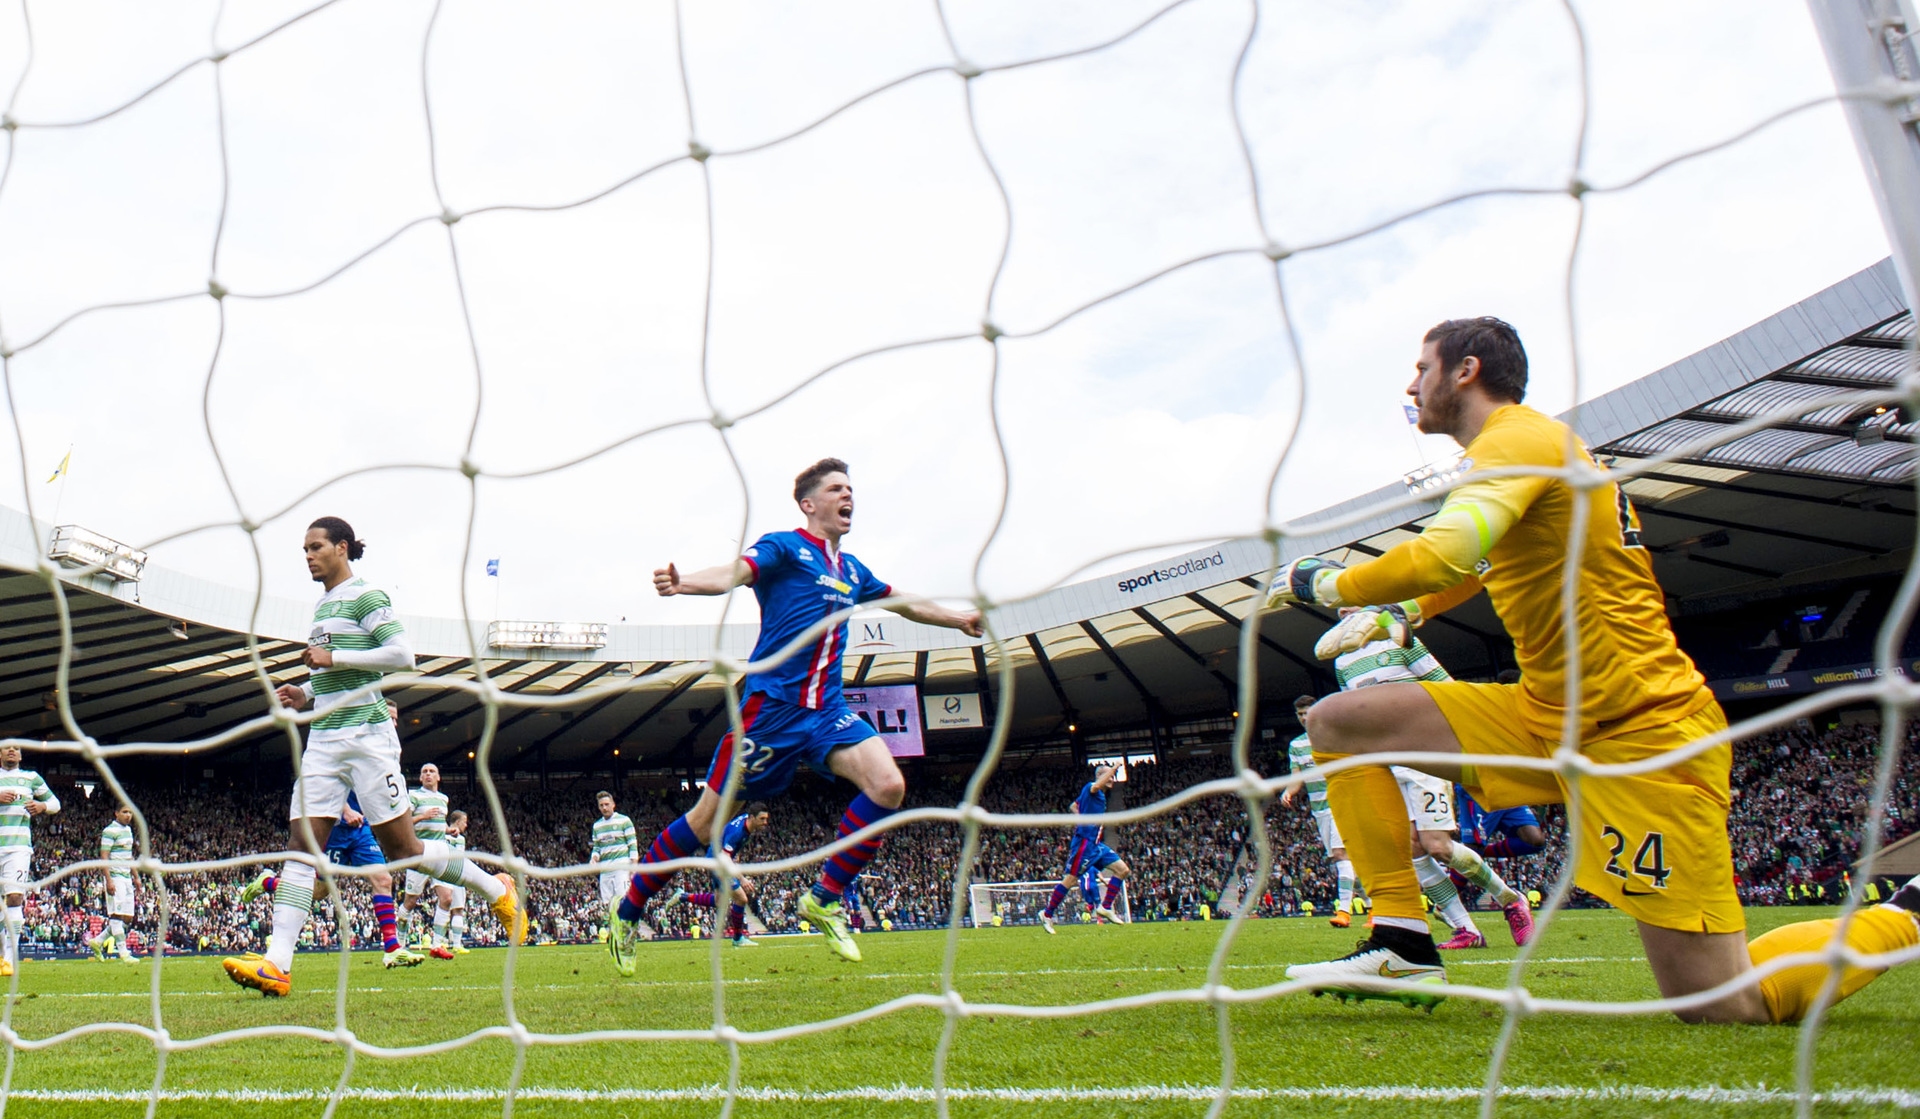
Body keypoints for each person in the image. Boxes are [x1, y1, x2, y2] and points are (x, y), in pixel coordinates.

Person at [1271, 317, 1920, 1021]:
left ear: (1466, 370)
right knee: (1341, 722)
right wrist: (1408, 614)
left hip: (1645, 733)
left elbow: (1447, 551)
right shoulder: (1521, 454)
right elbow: (1486, 560)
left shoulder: (1521, 439)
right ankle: (1401, 933)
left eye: (1421, 365)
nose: (1410, 382)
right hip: (1547, 715)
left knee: (1725, 1005)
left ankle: (1908, 915)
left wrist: (1327, 583)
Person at [611, 458, 982, 970]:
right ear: (810, 504)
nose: (847, 495)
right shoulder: (785, 547)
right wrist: (686, 583)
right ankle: (628, 911)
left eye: (850, 488)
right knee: (702, 822)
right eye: (836, 488)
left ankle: (825, 898)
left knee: (889, 786)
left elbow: (904, 601)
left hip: (827, 712)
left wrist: (959, 619)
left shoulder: (852, 571)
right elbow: (737, 572)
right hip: (772, 712)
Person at [223, 516, 524, 998]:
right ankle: (277, 963)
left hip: (368, 739)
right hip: (323, 739)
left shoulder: (367, 596)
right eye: (304, 549)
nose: (308, 555)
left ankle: (495, 889)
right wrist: (305, 693)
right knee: (302, 848)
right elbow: (334, 680)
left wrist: (334, 660)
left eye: (316, 546)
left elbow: (403, 655)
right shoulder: (322, 606)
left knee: (405, 851)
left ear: (342, 548)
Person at [1332, 633, 1534, 950]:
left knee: (1437, 846)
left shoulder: (1401, 641)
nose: (1343, 608)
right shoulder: (1342, 661)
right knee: (1412, 848)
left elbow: (1447, 687)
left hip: (1424, 755)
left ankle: (1510, 899)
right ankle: (1466, 929)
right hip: (1386, 761)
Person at [240, 701, 423, 969]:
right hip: (334, 830)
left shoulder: (387, 748)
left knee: (383, 878)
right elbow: (332, 778)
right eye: (389, 717)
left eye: (396, 719)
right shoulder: (352, 737)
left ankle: (392, 948)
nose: (393, 723)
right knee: (318, 892)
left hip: (361, 832)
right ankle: (269, 882)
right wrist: (346, 809)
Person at [1283, 695, 1357, 928]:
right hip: (1320, 810)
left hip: (1342, 802)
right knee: (1348, 859)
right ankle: (1376, 908)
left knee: (1340, 854)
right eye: (1300, 714)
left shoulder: (1335, 737)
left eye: (1307, 712)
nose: (1304, 718)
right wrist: (1289, 791)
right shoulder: (1297, 745)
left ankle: (1344, 911)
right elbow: (1298, 779)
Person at [665, 801, 771, 947]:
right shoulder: (739, 832)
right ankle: (738, 939)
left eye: (766, 819)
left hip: (715, 858)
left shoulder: (746, 825)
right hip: (717, 862)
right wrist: (742, 879)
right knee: (741, 899)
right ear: (751, 817)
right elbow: (725, 856)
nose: (765, 822)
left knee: (719, 902)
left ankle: (683, 896)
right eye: (762, 819)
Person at [1040, 765, 1131, 933]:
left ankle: (1105, 907)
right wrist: (1115, 767)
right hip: (1084, 845)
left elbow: (1073, 806)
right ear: (1100, 777)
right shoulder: (1091, 787)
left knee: (1123, 870)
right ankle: (1047, 914)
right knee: (1070, 880)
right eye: (1109, 776)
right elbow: (1093, 787)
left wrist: (1082, 818)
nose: (1112, 779)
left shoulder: (1097, 795)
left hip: (1096, 845)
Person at [0, 745, 58, 978]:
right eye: (7, 748)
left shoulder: (31, 778)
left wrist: (42, 806)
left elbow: (55, 803)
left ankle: (9, 961)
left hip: (18, 848)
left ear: (21, 755)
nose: (12, 751)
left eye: (16, 749)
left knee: (14, 898)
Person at [401, 763, 450, 948]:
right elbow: (404, 822)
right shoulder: (413, 796)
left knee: (446, 898)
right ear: (420, 778)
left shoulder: (443, 799)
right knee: (410, 901)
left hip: (441, 851)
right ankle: (400, 942)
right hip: (420, 851)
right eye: (424, 772)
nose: (428, 774)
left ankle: (437, 945)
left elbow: (439, 823)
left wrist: (449, 830)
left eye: (432, 772)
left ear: (438, 777)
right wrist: (423, 816)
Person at [89, 804, 138, 963]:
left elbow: (129, 857)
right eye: (124, 812)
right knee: (116, 915)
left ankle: (97, 941)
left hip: (126, 877)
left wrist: (136, 877)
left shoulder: (128, 831)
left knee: (128, 918)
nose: (128, 815)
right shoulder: (109, 831)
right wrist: (108, 880)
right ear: (116, 813)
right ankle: (123, 953)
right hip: (115, 877)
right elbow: (104, 857)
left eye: (130, 812)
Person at [589, 791, 640, 918]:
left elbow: (633, 846)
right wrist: (594, 858)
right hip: (605, 870)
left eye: (606, 804)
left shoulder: (624, 821)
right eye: (601, 805)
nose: (604, 808)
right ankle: (614, 933)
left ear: (613, 805)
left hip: (621, 868)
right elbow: (597, 847)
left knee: (622, 901)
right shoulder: (597, 826)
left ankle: (626, 931)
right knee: (608, 904)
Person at [430, 811, 471, 956]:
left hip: (456, 874)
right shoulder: (443, 836)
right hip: (447, 873)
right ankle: (439, 942)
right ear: (457, 822)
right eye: (464, 821)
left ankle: (456, 944)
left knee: (458, 909)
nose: (466, 825)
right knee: (446, 905)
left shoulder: (460, 838)